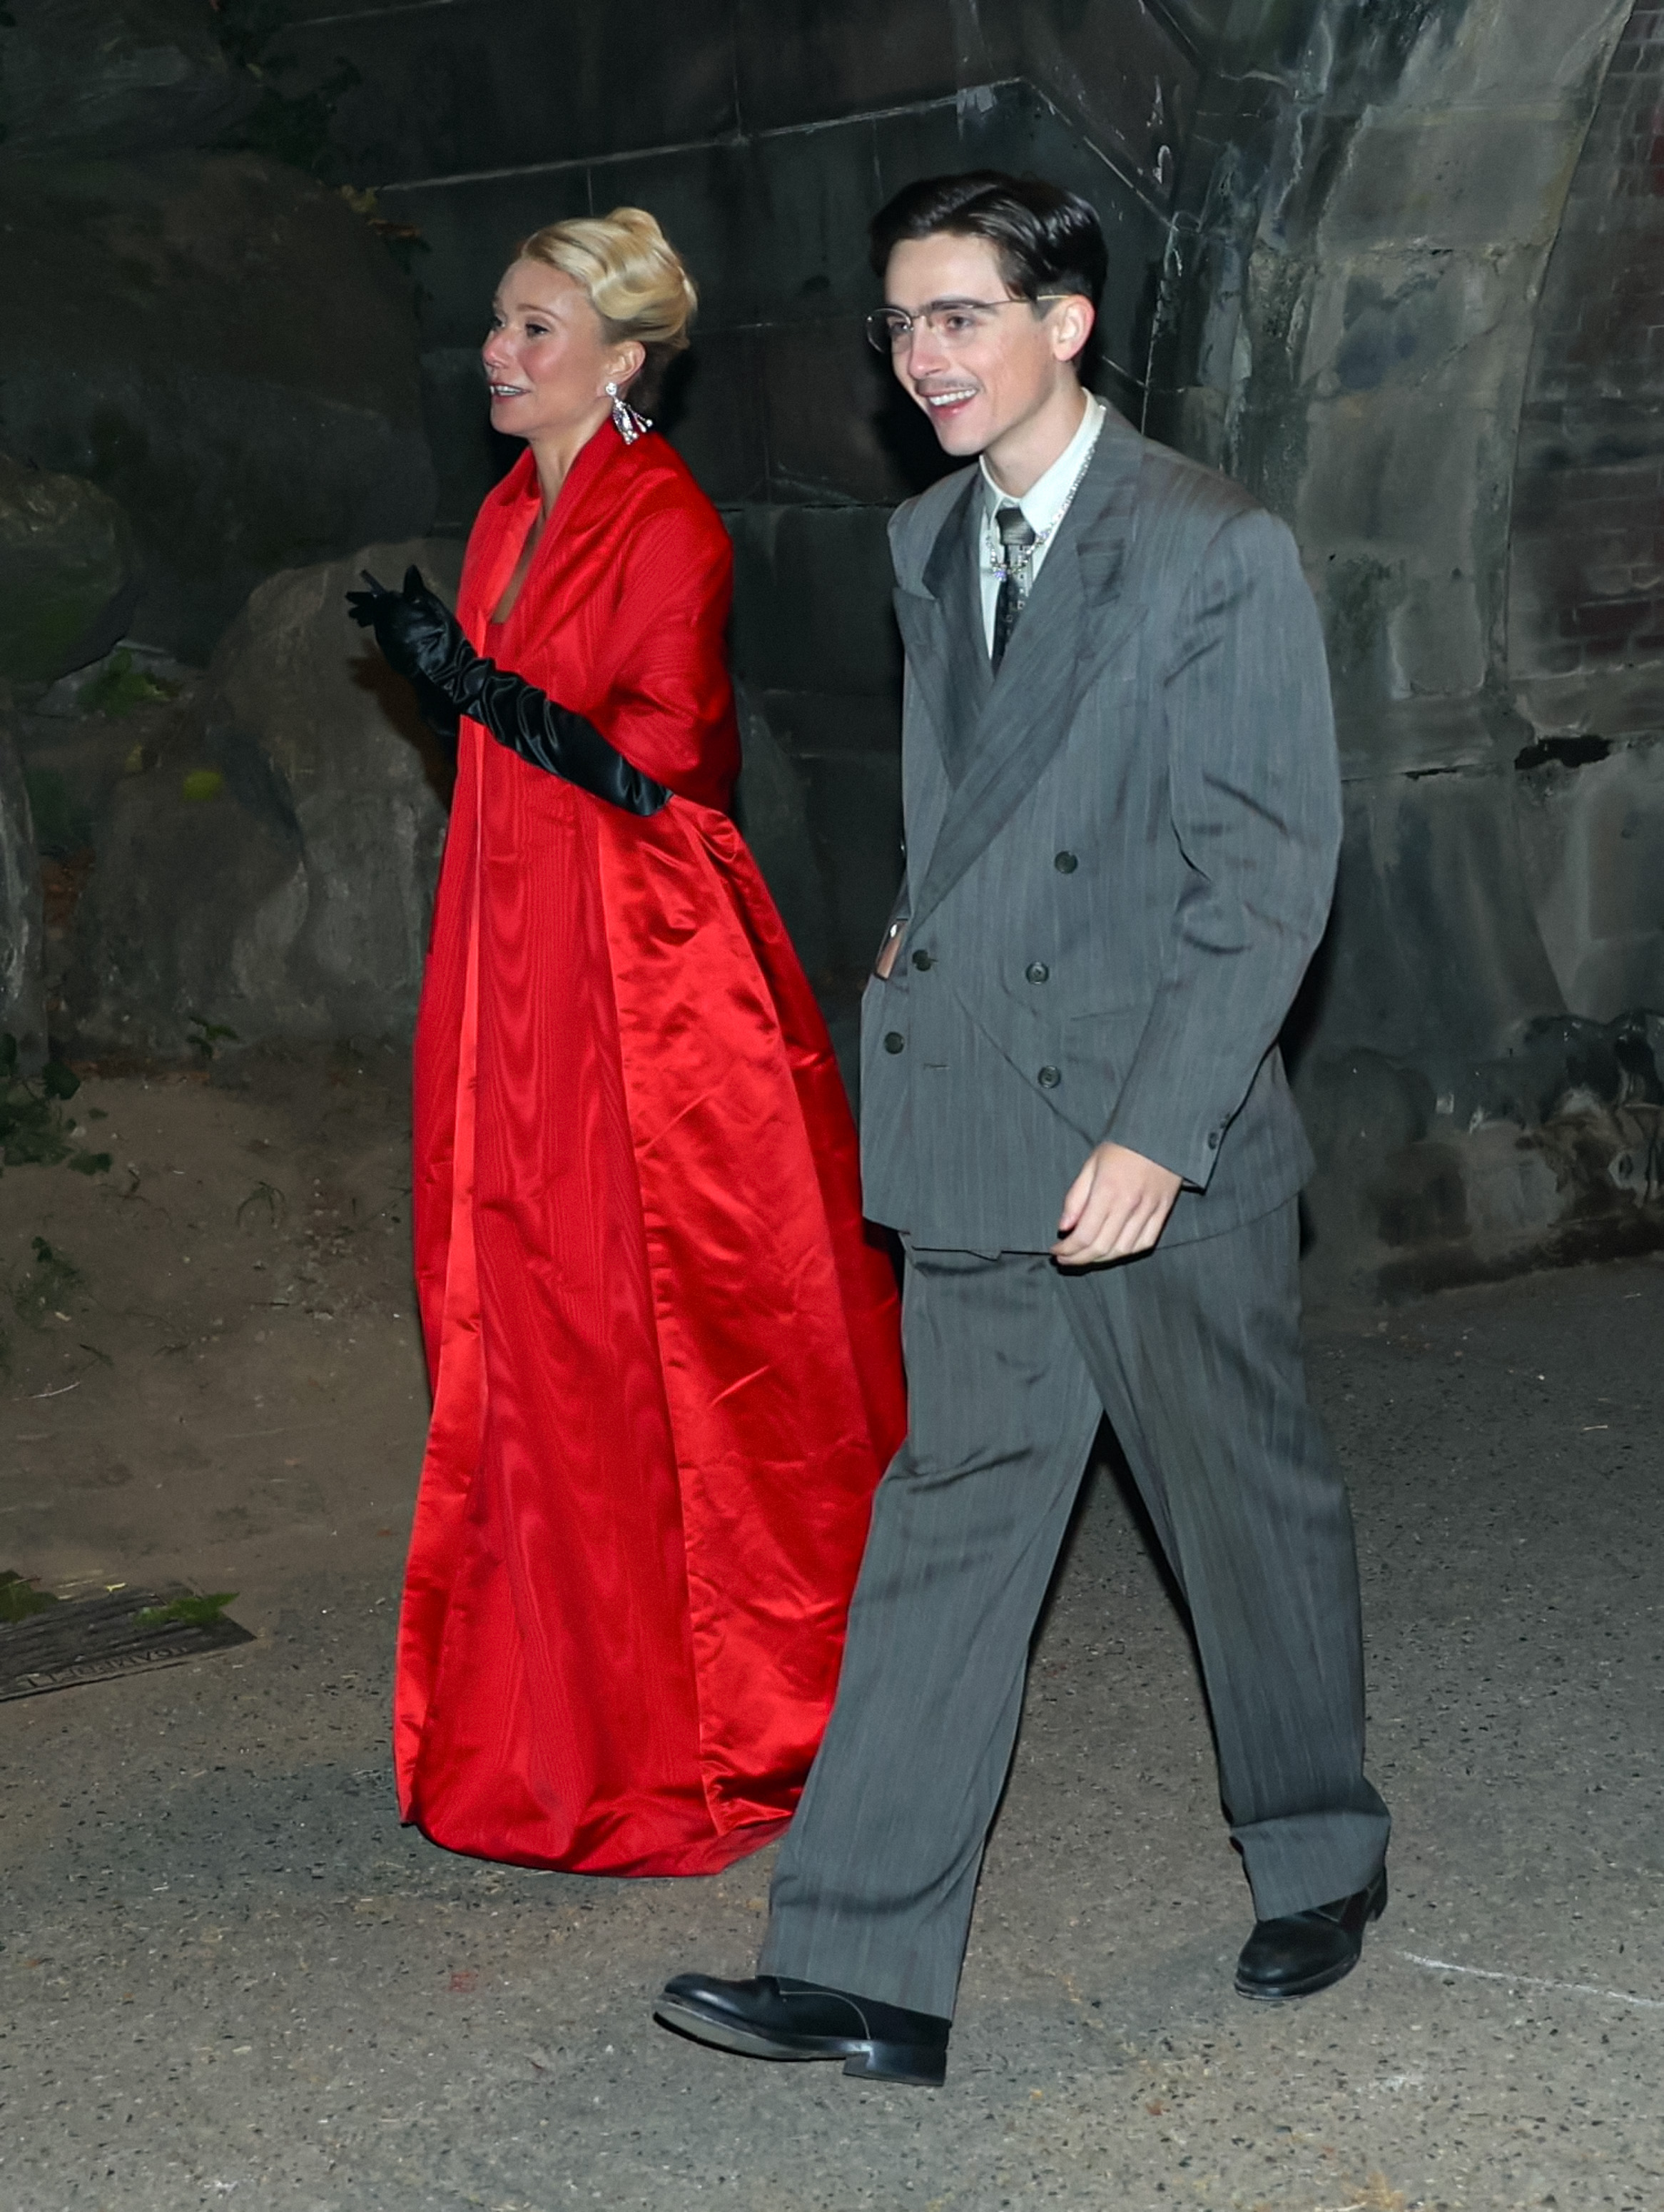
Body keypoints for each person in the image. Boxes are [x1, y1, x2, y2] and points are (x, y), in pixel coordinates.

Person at [656, 171, 1390, 2083]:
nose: (923, 361)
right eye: (900, 326)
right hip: (983, 1111)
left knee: (1238, 1511)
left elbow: (1265, 869)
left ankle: (1315, 1851)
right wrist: (926, 925)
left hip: (1157, 1134)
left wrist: (1164, 1129)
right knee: (948, 1527)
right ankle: (861, 1968)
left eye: (960, 316)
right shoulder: (925, 539)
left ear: (1066, 322)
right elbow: (982, 798)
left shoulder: (1208, 546)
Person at [348, 207, 906, 1878]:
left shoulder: (664, 519)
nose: (498, 357)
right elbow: (515, 754)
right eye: (497, 328)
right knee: (512, 1292)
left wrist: (471, 682)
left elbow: (658, 773)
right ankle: (554, 1705)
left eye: (532, 331)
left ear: (621, 357)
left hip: (639, 949)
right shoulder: (511, 502)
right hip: (514, 931)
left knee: (656, 1306)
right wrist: (462, 680)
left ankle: (717, 1711)